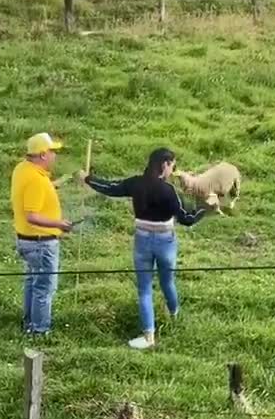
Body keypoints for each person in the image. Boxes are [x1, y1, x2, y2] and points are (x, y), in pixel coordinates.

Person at [79, 148, 208, 350]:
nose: (172, 170)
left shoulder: (135, 183)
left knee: (144, 290)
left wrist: (89, 179)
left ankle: (148, 337)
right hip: (165, 241)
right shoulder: (168, 191)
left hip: (142, 240)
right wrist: (205, 207)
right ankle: (174, 315)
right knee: (167, 282)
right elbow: (187, 219)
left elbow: (111, 188)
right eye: (172, 165)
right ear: (165, 164)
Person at [11, 133, 72, 336]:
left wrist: (55, 184)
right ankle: (39, 330)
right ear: (43, 154)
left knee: (32, 282)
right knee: (44, 287)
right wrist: (59, 224)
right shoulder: (36, 180)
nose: (55, 155)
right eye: (53, 151)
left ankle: (29, 322)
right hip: (40, 243)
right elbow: (32, 216)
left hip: (26, 240)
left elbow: (32, 191)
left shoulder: (23, 169)